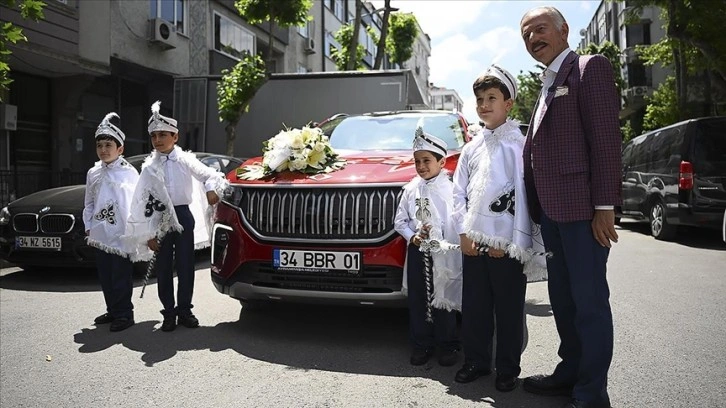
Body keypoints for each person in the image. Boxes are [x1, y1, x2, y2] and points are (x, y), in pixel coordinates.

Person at [519, 6, 622, 408]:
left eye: (540, 29)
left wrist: (604, 206)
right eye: (527, 35)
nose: (533, 39)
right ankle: (570, 373)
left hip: (583, 213)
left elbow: (605, 141)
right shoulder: (548, 83)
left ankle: (591, 392)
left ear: (563, 30)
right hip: (553, 214)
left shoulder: (587, 68)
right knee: (563, 300)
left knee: (589, 303)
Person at [451, 64, 547, 392]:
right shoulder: (471, 148)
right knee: (475, 306)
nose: (484, 104)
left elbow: (521, 197)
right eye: (479, 99)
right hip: (473, 243)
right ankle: (476, 361)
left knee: (508, 309)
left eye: (492, 97)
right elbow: (458, 193)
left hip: (505, 246)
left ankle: (507, 367)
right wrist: (464, 232)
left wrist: (505, 240)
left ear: (508, 104)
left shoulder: (518, 146)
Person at [126, 101, 228, 332]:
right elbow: (142, 202)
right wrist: (148, 234)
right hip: (160, 219)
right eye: (154, 136)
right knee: (163, 268)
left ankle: (185, 310)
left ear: (175, 136)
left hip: (182, 216)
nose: (158, 140)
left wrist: (211, 189)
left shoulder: (185, 160)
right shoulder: (149, 167)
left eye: (163, 134)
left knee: (185, 266)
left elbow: (209, 175)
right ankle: (168, 312)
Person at [394, 121, 461, 367]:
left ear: (441, 162)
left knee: (442, 297)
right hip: (418, 251)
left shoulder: (450, 190)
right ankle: (421, 344)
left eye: (427, 161)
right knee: (419, 299)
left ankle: (447, 344)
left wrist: (439, 236)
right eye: (417, 161)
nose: (421, 167)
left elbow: (455, 221)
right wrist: (412, 235)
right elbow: (400, 221)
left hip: (442, 252)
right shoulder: (411, 189)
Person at [83, 112, 139, 332]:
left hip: (122, 233)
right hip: (100, 233)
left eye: (108, 145)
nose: (104, 150)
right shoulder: (93, 172)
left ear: (120, 149)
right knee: (105, 275)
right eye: (100, 145)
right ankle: (113, 309)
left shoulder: (129, 172)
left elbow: (136, 204)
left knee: (120, 275)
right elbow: (89, 202)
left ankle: (125, 314)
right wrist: (88, 226)